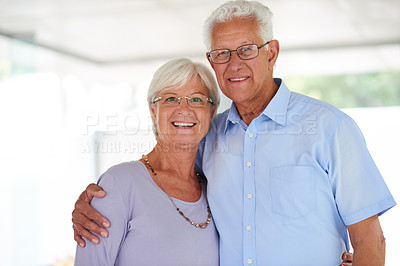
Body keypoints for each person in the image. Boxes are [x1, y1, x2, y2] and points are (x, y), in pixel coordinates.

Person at [72, 0, 396, 265]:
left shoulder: (330, 128)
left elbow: (370, 240)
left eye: (246, 49)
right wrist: (95, 199)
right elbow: (161, 176)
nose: (234, 64)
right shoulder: (208, 137)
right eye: (222, 53)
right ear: (213, 61)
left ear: (271, 53)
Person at [74, 58, 220, 265]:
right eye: (171, 98)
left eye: (197, 99)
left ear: (211, 111)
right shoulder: (120, 183)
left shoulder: (214, 188)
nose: (184, 109)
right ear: (154, 110)